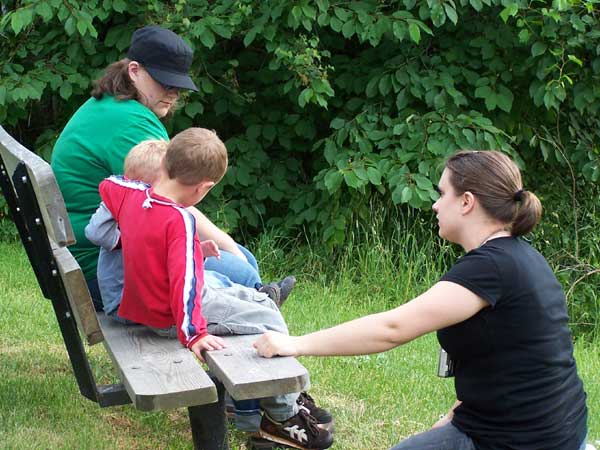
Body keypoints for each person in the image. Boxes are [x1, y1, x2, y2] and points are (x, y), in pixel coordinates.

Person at [254, 150, 589, 450]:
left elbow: (392, 328)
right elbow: (515, 357)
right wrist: (457, 416)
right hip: (545, 425)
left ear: (467, 202)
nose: (435, 204)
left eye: (443, 194)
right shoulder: (517, 257)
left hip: (525, 438)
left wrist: (295, 344)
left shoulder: (491, 267)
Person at [96, 127, 334, 450]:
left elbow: (109, 185)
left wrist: (195, 249)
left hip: (145, 304)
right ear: (203, 189)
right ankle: (282, 415)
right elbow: (185, 287)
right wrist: (193, 333)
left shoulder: (131, 195)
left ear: (165, 164)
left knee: (254, 299)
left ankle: (277, 401)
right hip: (168, 315)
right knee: (269, 318)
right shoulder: (179, 220)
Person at [51, 25, 261, 311]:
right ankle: (259, 321)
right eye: (165, 82)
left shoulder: (107, 106)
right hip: (104, 272)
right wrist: (229, 246)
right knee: (241, 269)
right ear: (134, 71)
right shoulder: (132, 124)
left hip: (84, 260)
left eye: (178, 85)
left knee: (240, 261)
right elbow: (171, 201)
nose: (173, 93)